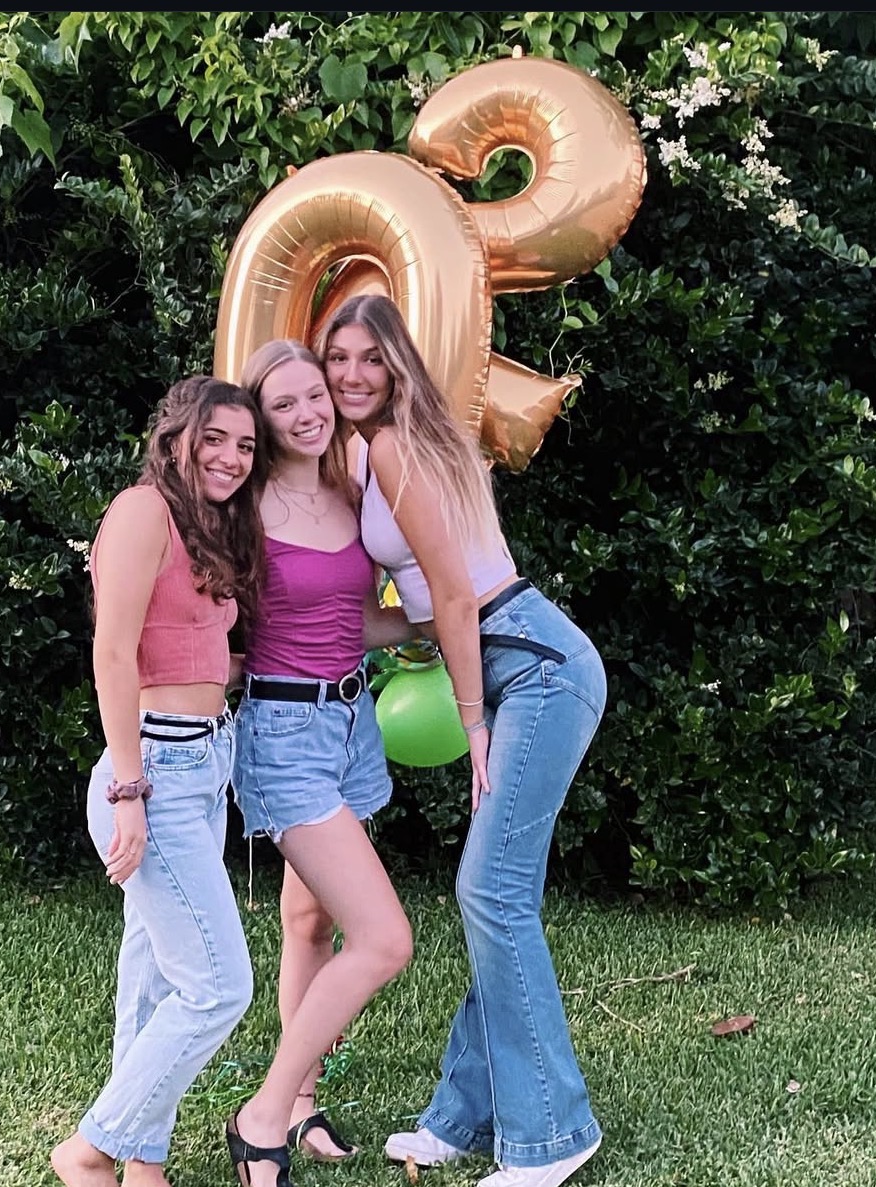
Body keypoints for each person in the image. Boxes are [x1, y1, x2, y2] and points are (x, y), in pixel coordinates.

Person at [315, 294, 609, 1187]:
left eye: (370, 358)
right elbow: (406, 614)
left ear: (396, 365)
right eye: (338, 358)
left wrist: (471, 722)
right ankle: (461, 1116)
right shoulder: (380, 449)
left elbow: (452, 595)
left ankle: (553, 1134)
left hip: (536, 666)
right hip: (517, 658)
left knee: (491, 889)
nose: (352, 374)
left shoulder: (397, 447)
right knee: (496, 894)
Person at [50, 376, 267, 1187]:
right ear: (176, 436)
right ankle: (90, 1148)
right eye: (215, 438)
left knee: (151, 976)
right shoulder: (143, 510)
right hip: (154, 767)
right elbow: (112, 653)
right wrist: (129, 791)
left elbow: (195, 654)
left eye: (245, 445)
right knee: (218, 987)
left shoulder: (204, 527)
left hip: (204, 761)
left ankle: (144, 1160)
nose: (231, 457)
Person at [224, 338, 414, 1187]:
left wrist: (431, 621)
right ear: (260, 420)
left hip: (352, 723)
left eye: (315, 396)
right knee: (384, 938)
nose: (307, 413)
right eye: (284, 404)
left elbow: (353, 621)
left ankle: (301, 1102)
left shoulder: (350, 490)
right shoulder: (242, 507)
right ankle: (261, 1117)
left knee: (311, 922)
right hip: (283, 732)